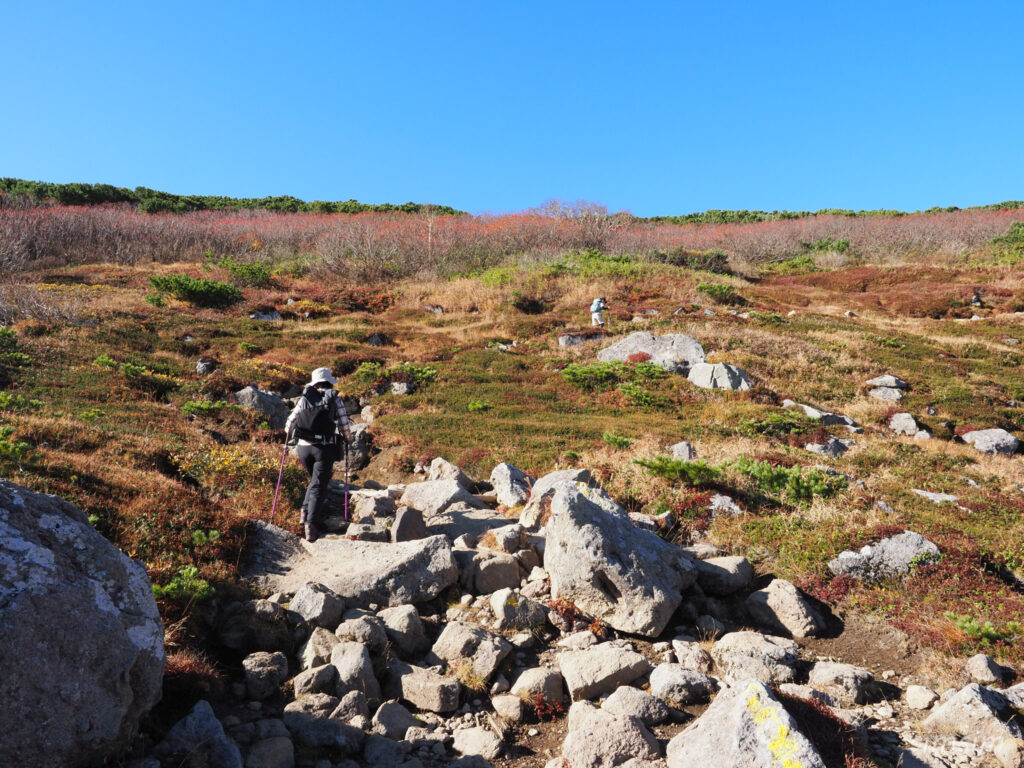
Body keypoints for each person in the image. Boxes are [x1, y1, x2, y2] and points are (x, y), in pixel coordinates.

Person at [285, 367, 352, 542]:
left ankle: (304, 511)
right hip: (324, 448)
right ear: (329, 382)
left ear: (314, 383)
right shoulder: (334, 399)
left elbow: (290, 423)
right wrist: (348, 439)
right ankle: (310, 525)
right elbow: (344, 423)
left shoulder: (304, 399)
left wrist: (290, 439)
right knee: (318, 486)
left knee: (314, 482)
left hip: (303, 448)